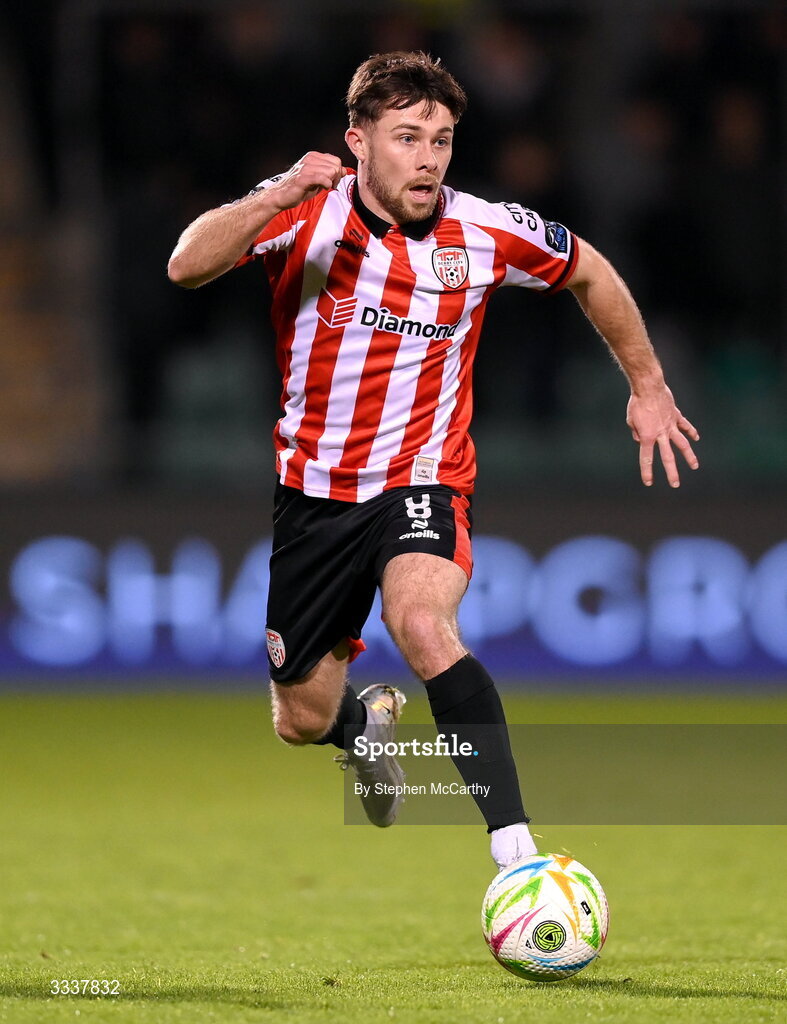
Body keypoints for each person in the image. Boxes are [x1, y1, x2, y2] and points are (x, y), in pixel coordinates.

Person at [168, 51, 699, 869]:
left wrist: (647, 382)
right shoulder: (303, 216)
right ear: (357, 142)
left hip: (424, 477)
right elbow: (186, 264)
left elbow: (588, 269)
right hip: (312, 494)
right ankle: (360, 723)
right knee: (299, 719)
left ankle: (518, 855)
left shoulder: (485, 230)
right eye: (406, 137)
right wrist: (273, 192)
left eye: (441, 139)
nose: (426, 158)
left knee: (421, 622)